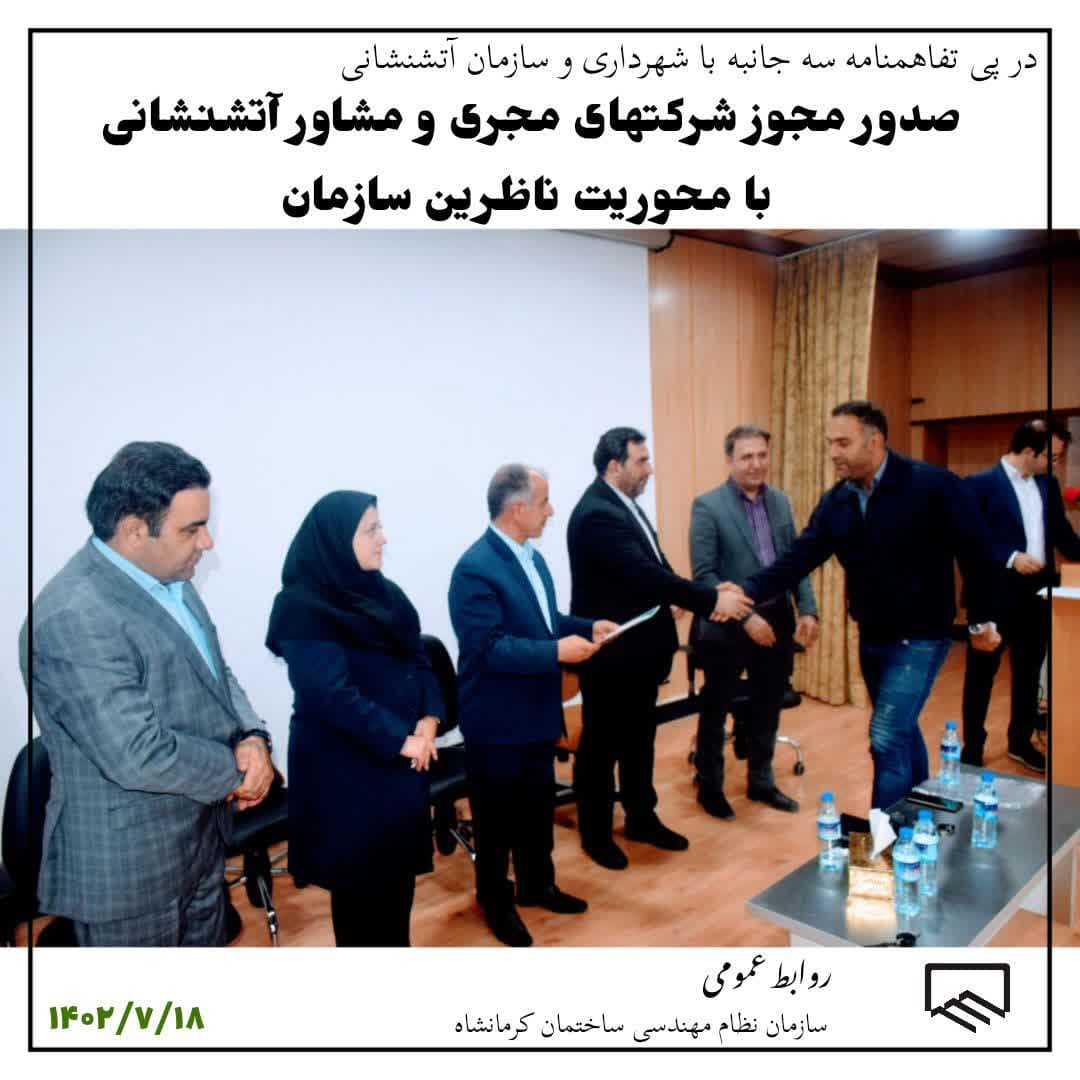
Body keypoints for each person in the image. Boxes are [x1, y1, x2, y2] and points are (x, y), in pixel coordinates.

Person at [20, 442, 273, 947]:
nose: (207, 543)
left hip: (199, 838)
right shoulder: (74, 616)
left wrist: (252, 735)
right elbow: (137, 754)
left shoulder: (172, 579)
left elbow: (215, 672)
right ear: (135, 530)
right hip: (131, 868)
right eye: (191, 529)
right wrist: (237, 772)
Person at [738, 401, 1001, 812]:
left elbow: (977, 554)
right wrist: (745, 592)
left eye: (843, 443)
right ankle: (921, 813)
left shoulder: (933, 485)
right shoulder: (838, 501)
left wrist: (981, 619)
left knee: (886, 736)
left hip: (922, 636)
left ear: (874, 441)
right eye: (830, 443)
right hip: (873, 636)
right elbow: (798, 558)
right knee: (901, 730)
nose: (833, 453)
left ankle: (887, 837)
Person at [566, 427, 752, 870]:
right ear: (615, 466)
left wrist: (686, 595)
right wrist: (710, 600)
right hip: (613, 656)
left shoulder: (623, 506)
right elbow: (644, 575)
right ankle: (596, 834)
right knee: (601, 748)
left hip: (640, 654)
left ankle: (641, 818)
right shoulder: (597, 513)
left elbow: (655, 568)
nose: (650, 469)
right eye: (641, 461)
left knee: (639, 740)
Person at [449, 465, 618, 947]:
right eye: (544, 503)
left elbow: (545, 622)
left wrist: (586, 626)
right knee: (496, 822)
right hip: (497, 721)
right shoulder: (474, 568)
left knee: (536, 809)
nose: (551, 511)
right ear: (518, 509)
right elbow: (490, 649)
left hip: (536, 712)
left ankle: (537, 885)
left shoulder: (533, 558)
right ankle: (496, 903)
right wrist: (556, 651)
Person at [266, 491, 442, 947]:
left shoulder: (386, 593)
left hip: (398, 768)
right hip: (348, 777)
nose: (384, 538)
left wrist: (429, 720)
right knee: (361, 907)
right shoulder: (302, 607)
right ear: (336, 540)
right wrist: (401, 739)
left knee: (397, 894)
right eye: (371, 530)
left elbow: (418, 658)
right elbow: (330, 695)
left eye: (380, 527)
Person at [689, 425, 819, 820]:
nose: (756, 464)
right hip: (728, 623)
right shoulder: (708, 506)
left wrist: (808, 608)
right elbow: (704, 576)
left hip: (777, 617)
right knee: (716, 708)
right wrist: (746, 618)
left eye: (762, 455)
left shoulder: (780, 501)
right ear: (730, 460)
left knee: (768, 703)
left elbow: (796, 562)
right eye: (747, 456)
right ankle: (710, 787)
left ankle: (761, 782)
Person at [961, 419, 1080, 771]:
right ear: (1029, 452)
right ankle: (972, 747)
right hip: (993, 594)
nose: (1055, 464)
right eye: (1052, 457)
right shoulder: (979, 485)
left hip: (1038, 594)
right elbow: (969, 540)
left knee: (1028, 672)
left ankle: (1020, 741)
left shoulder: (1047, 484)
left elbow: (1062, 534)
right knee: (981, 675)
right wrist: (1011, 557)